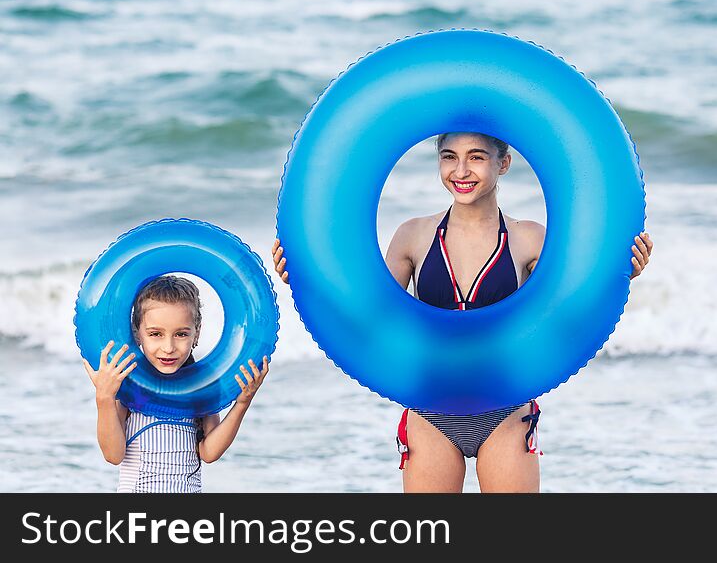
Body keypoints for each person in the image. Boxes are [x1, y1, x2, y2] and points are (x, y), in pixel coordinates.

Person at [272, 132, 652, 493]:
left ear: (503, 163)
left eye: (477, 157)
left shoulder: (530, 238)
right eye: (448, 157)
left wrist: (621, 274)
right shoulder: (414, 235)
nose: (461, 171)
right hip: (431, 410)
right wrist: (306, 280)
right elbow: (369, 316)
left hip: (505, 407)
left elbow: (573, 309)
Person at [82, 275, 269, 492]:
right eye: (155, 334)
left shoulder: (199, 387)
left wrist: (241, 404)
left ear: (196, 334)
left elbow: (209, 453)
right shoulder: (132, 387)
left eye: (181, 334)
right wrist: (104, 398)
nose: (169, 347)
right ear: (137, 334)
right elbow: (113, 455)